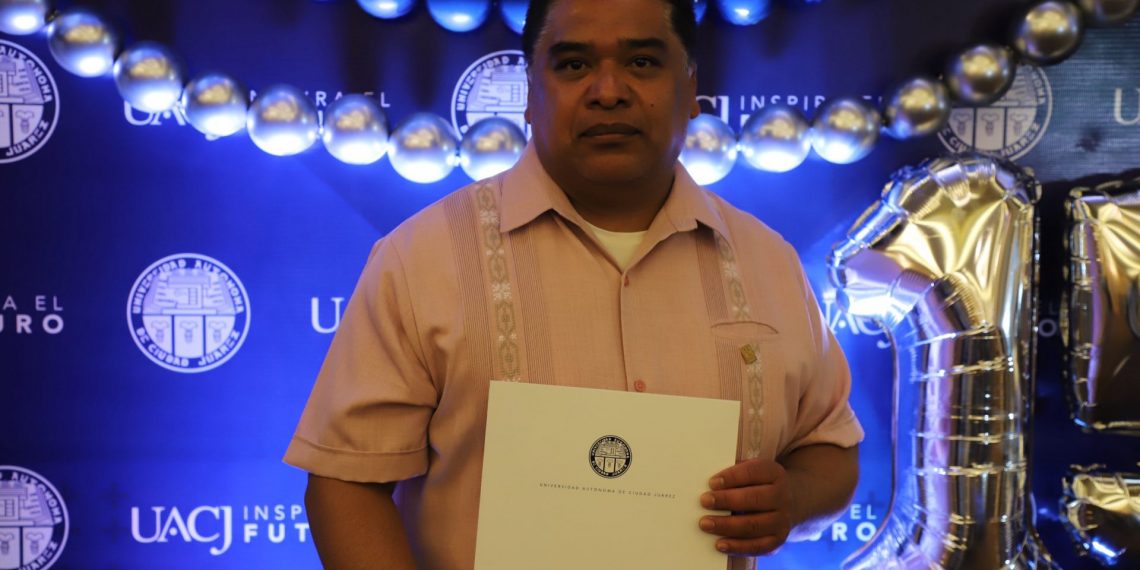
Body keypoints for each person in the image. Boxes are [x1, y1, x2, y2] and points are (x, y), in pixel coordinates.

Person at [284, 0, 863, 567]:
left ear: (691, 87)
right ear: (530, 92)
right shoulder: (420, 259)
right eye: (574, 64)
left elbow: (829, 446)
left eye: (642, 62)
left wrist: (793, 499)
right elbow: (346, 480)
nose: (608, 91)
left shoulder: (768, 261)